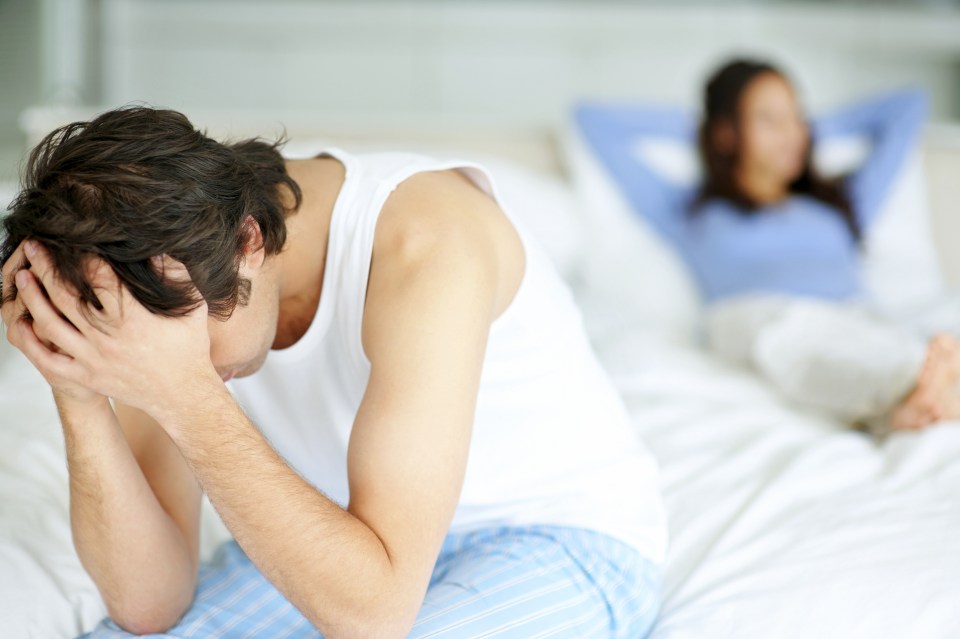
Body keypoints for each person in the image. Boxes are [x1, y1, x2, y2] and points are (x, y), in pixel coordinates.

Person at [0, 107, 666, 638]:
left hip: (557, 536)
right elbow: (150, 604)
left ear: (248, 243)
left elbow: (373, 615)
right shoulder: (147, 269)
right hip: (339, 537)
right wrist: (80, 388)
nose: (179, 367)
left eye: (185, 349)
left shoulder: (427, 242)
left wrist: (181, 390)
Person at [576, 58, 959, 434]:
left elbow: (909, 104)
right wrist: (707, 128)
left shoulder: (838, 203)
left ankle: (910, 397)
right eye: (769, 120)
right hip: (757, 318)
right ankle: (911, 386)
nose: (792, 133)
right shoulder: (691, 213)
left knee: (882, 339)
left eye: (796, 117)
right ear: (725, 132)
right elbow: (592, 119)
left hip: (853, 316)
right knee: (783, 332)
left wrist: (802, 128)